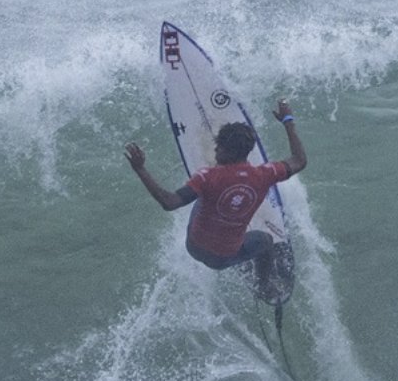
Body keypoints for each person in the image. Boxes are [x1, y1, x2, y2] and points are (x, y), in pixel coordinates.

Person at [124, 99, 306, 294]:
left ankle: (257, 280)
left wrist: (140, 169)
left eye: (220, 147)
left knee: (202, 197)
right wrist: (288, 120)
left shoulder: (207, 178)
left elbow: (169, 202)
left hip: (194, 247)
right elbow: (299, 160)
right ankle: (264, 283)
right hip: (223, 257)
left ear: (228, 151)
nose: (216, 149)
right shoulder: (265, 174)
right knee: (265, 241)